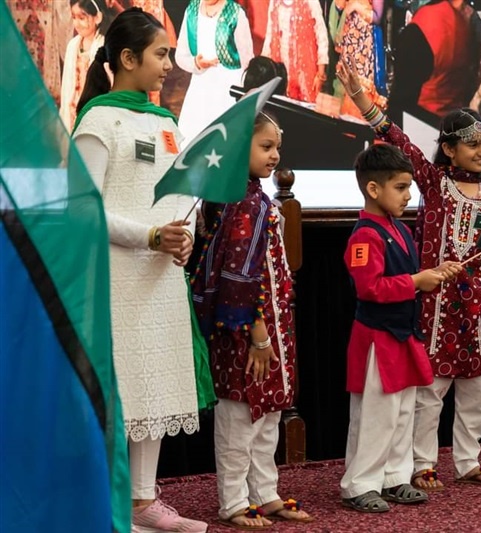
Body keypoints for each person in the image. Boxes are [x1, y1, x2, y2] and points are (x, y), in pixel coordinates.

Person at [336, 60, 481, 492]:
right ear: (450, 149)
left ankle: (468, 460)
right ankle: (421, 463)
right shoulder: (433, 181)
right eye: (471, 144)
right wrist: (364, 101)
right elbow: (397, 139)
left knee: (478, 386)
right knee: (429, 389)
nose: (480, 151)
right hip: (436, 298)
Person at [72, 8, 208, 532]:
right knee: (122, 388)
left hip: (162, 278)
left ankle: (142, 503)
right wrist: (148, 235)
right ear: (127, 59)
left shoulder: (168, 123)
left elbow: (177, 200)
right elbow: (82, 208)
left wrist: (184, 237)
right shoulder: (99, 120)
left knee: (155, 389)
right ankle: (106, 506)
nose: (169, 65)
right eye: (160, 54)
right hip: (116, 278)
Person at [191, 110, 314, 529]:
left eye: (277, 146)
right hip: (245, 330)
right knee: (239, 418)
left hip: (270, 329)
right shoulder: (240, 201)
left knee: (268, 415)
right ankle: (233, 502)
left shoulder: (255, 197)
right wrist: (257, 333)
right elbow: (239, 273)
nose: (275, 155)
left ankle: (265, 493)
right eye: (265, 146)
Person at [340, 143, 461, 512]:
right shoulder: (366, 235)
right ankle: (359, 483)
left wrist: (435, 276)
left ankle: (394, 478)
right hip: (377, 339)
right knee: (377, 415)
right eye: (401, 187)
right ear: (373, 189)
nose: (409, 195)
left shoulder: (400, 230)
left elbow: (410, 278)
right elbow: (370, 288)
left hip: (403, 336)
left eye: (410, 187)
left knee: (402, 412)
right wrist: (416, 282)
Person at [387, 0, 481, 124]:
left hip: (420, 124)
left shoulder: (425, 23)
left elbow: (400, 101)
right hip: (454, 124)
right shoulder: (468, 19)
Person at [175, 0, 254, 147]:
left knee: (225, 143)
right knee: (192, 145)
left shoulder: (236, 13)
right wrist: (196, 64)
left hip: (229, 91)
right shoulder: (191, 11)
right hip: (199, 92)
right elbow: (180, 56)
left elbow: (247, 62)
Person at [261, 0, 328, 103]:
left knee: (306, 110)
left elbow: (321, 33)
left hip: (306, 70)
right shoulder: (274, 2)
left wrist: (321, 73)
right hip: (280, 68)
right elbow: (269, 35)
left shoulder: (310, 2)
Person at [60, 0, 111, 130]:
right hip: (73, 109)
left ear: (97, 17)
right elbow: (66, 85)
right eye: (74, 18)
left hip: (95, 109)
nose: (77, 23)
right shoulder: (73, 45)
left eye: (82, 18)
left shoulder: (105, 45)